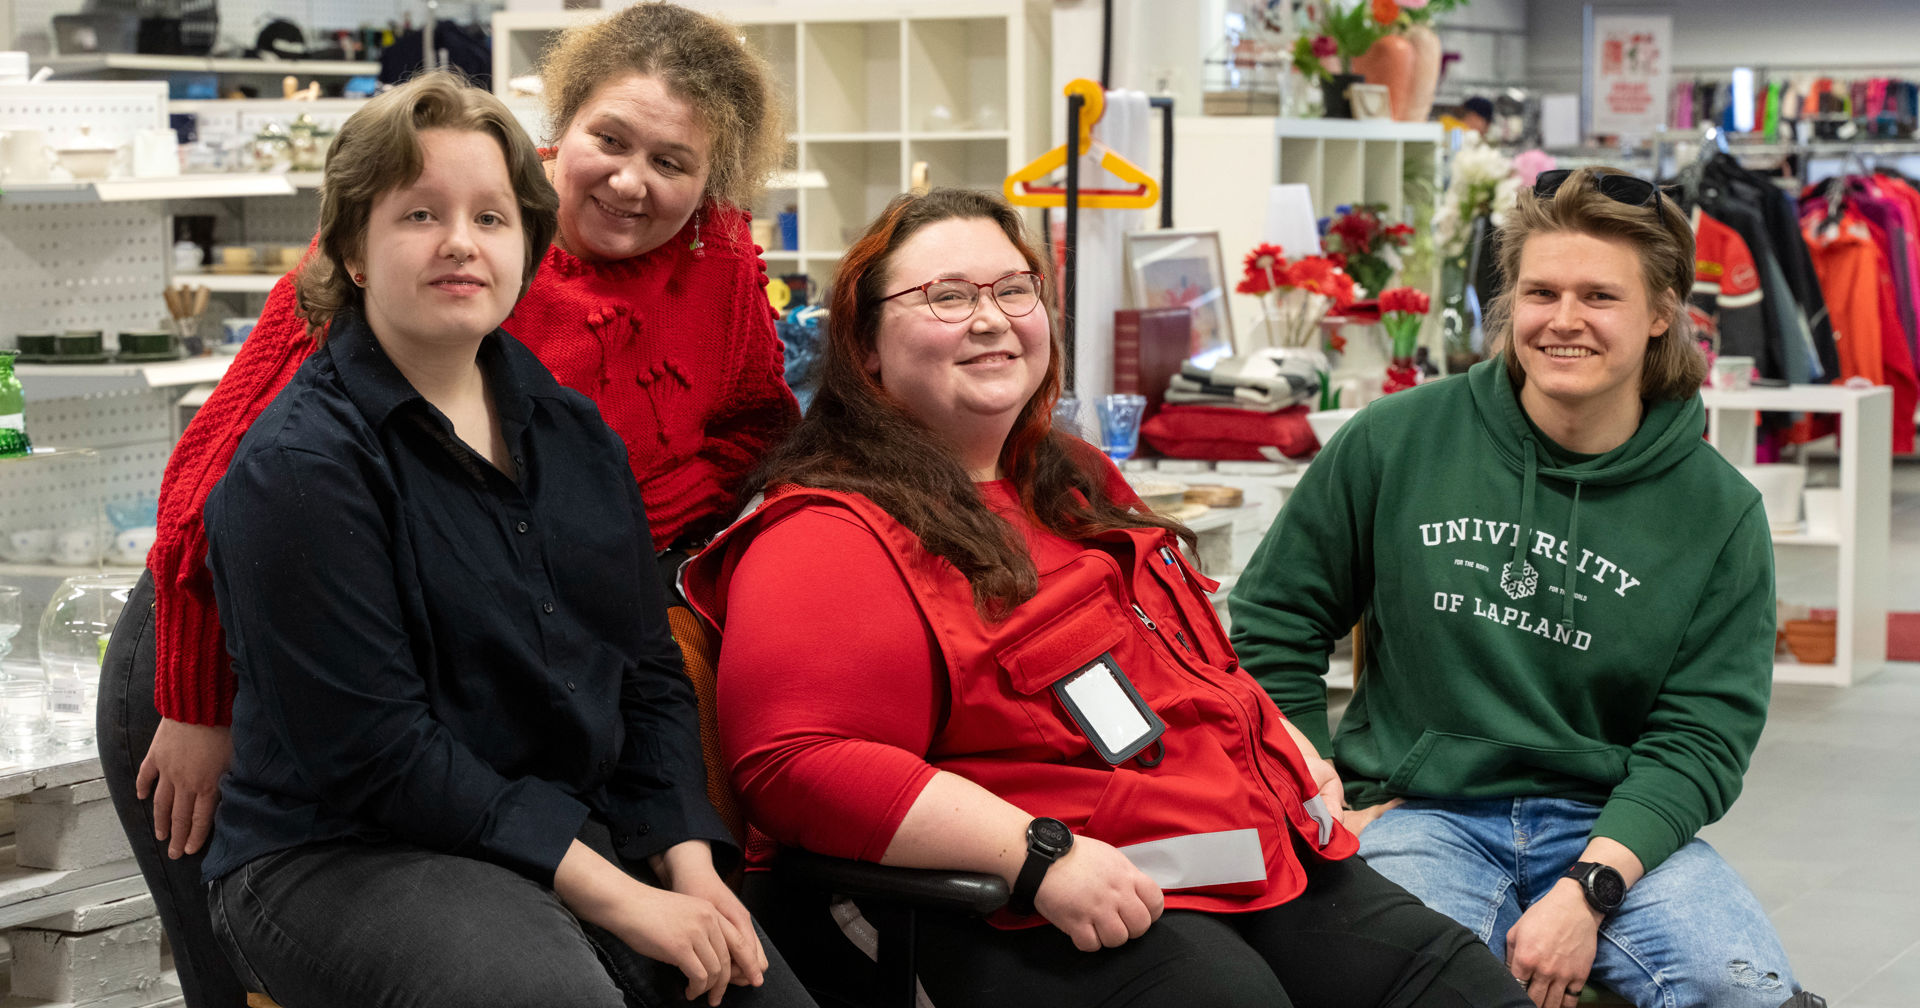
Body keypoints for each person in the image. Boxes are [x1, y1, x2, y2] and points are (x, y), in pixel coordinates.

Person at [682, 188, 1535, 1008]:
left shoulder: (1073, 478)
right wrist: (1036, 855)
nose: (990, 318)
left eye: (1014, 289)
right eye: (945, 296)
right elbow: (798, 765)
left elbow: (1179, 658)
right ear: (865, 346)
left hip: (1219, 849)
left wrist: (1276, 737)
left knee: (1453, 981)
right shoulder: (825, 530)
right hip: (1002, 888)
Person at [97, 5, 796, 1005]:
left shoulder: (707, 273)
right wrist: (200, 700)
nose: (633, 179)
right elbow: (217, 480)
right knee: (238, 969)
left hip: (468, 634)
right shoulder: (438, 255)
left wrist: (600, 510)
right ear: (564, 131)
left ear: (713, 178)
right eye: (609, 140)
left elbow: (749, 429)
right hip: (226, 628)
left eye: (673, 161)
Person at [1227, 167, 1805, 1008]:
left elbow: (1702, 737)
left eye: (1600, 297)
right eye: (1541, 291)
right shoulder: (1396, 441)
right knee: (1416, 988)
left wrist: (1589, 889)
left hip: (1611, 825)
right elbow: (1275, 619)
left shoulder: (1718, 512)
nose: (1564, 321)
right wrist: (1312, 789)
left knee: (1745, 993)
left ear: (1660, 315)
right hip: (1421, 813)